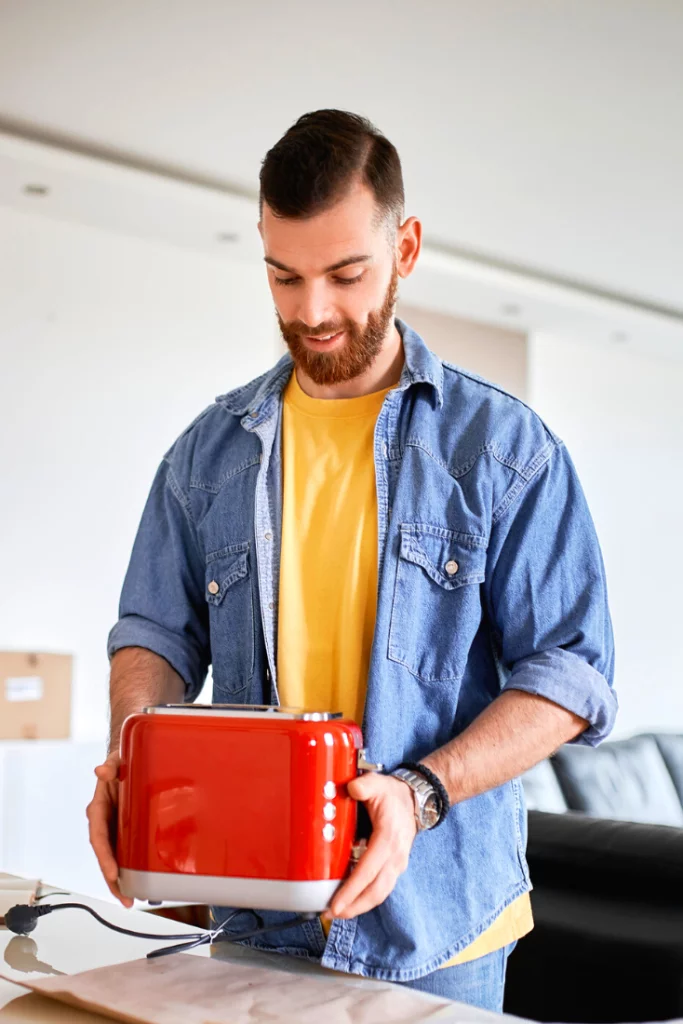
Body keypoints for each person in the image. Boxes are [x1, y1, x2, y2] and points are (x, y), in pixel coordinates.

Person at [87, 109, 617, 1012]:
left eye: (345, 273)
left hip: (440, 931)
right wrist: (134, 753)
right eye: (283, 276)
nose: (313, 311)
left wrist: (419, 792)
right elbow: (152, 635)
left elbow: (572, 674)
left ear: (404, 248)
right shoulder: (205, 455)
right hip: (254, 918)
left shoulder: (504, 449)